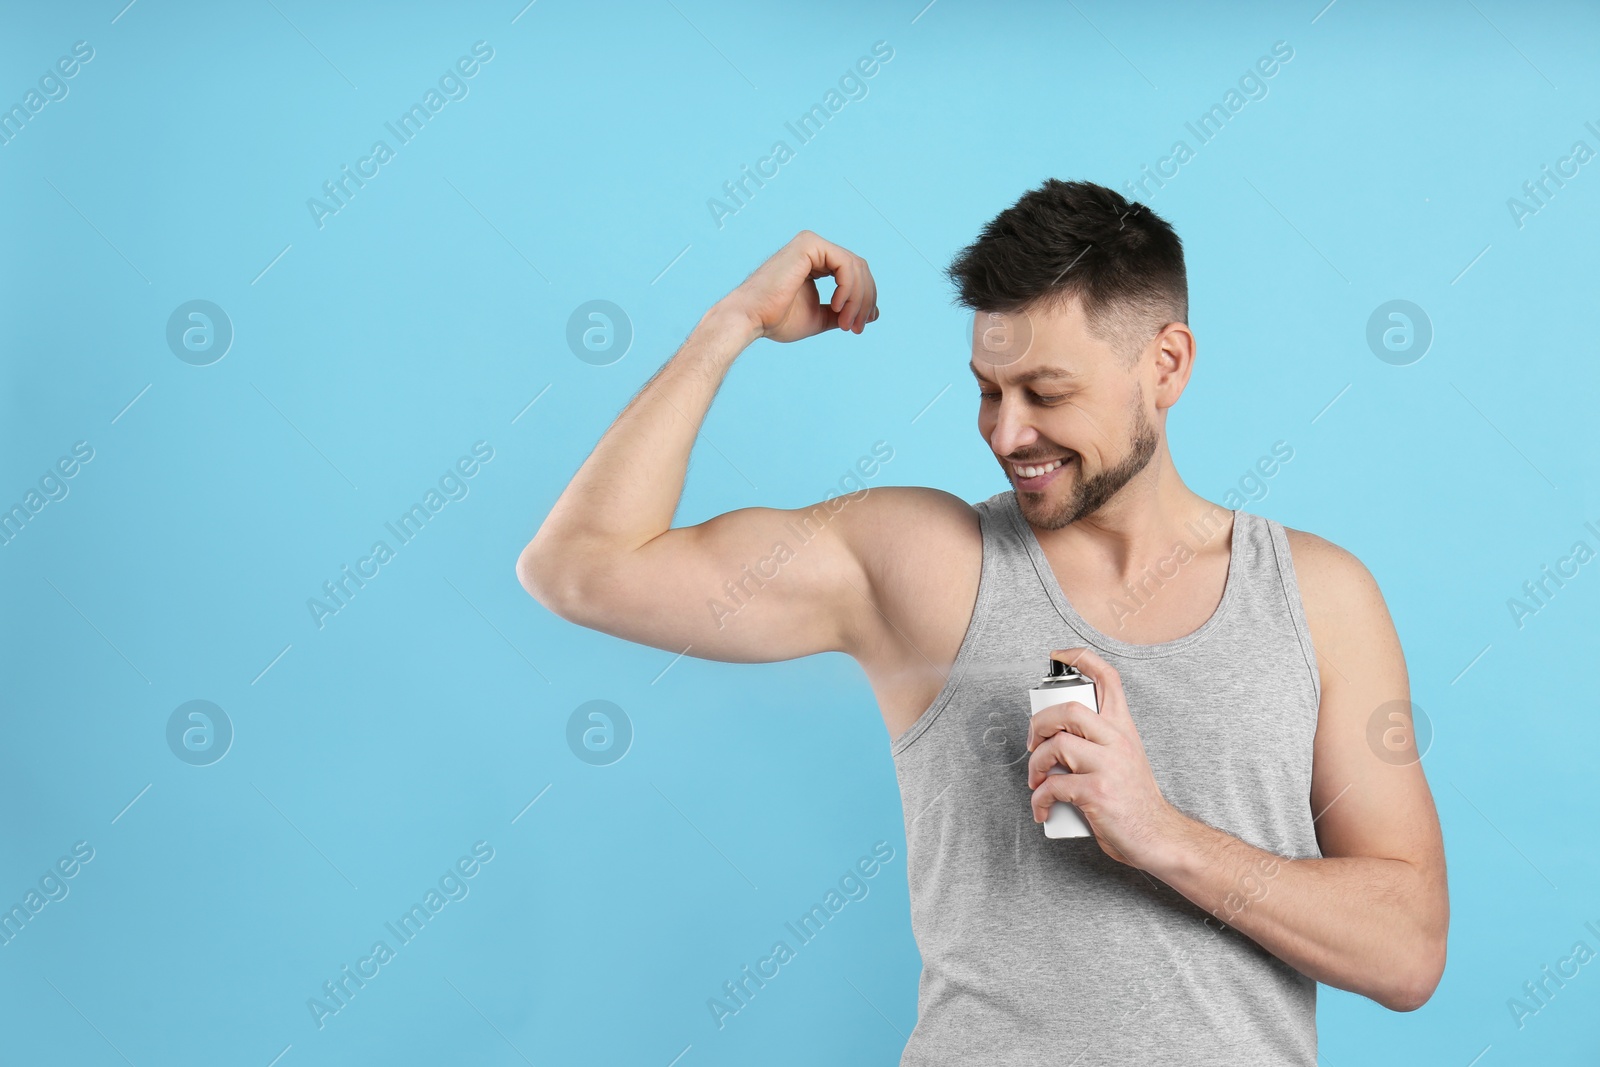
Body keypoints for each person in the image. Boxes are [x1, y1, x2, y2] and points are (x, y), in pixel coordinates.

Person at [517, 178, 1448, 1065]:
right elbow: (580, 570)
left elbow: (1407, 949)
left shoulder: (1318, 596)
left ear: (1165, 364)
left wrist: (1159, 832)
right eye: (987, 390)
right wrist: (734, 323)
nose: (1006, 434)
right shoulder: (925, 564)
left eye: (1046, 393)